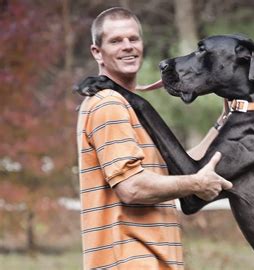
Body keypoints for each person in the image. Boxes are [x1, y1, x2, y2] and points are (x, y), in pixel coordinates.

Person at [76, 7, 232, 270]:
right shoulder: (108, 104)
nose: (127, 46)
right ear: (96, 52)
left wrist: (224, 119)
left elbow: (176, 167)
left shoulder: (127, 105)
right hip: (129, 261)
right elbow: (132, 188)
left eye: (133, 39)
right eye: (116, 41)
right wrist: (195, 184)